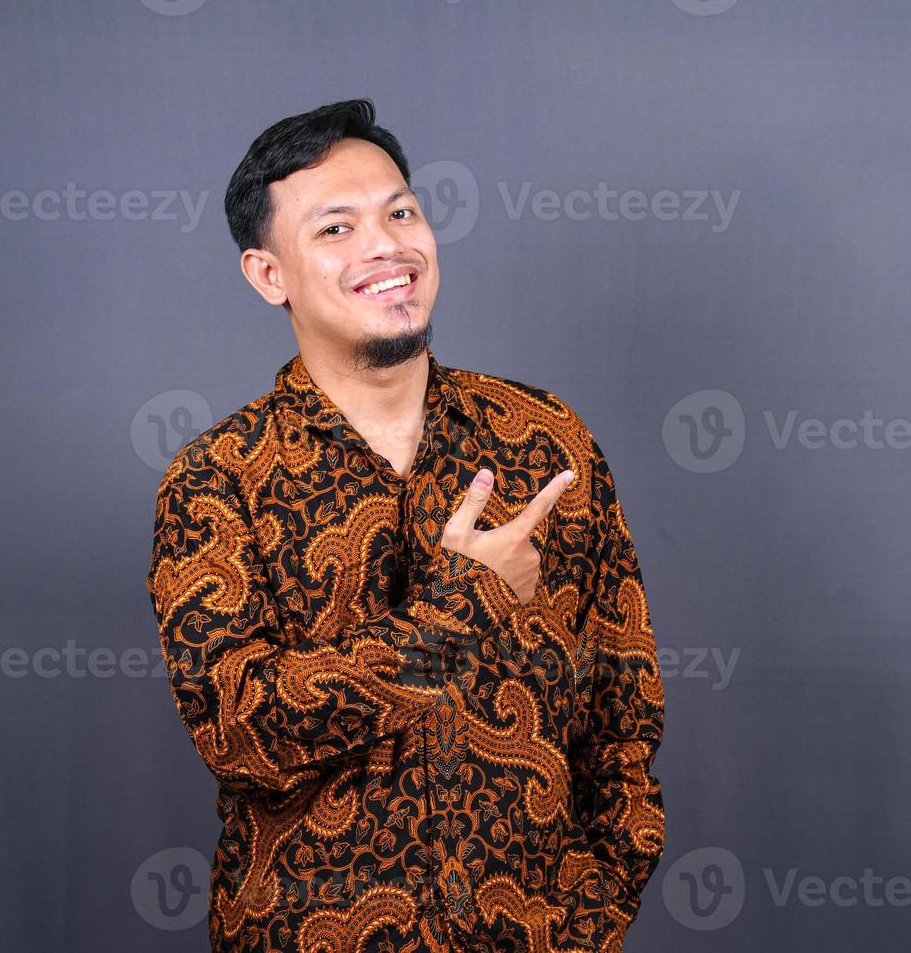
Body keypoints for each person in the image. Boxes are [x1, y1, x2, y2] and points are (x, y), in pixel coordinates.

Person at [145, 98, 665, 952]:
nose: (386, 246)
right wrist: (465, 610)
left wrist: (602, 896)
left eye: (400, 212)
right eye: (335, 229)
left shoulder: (542, 439)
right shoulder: (216, 480)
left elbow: (624, 700)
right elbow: (240, 735)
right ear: (268, 275)